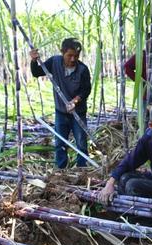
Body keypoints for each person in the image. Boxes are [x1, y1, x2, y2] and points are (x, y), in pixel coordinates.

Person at [30, 38, 92, 168]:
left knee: (81, 142)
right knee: (59, 143)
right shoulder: (55, 62)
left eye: (76, 56)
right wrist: (34, 60)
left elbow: (86, 90)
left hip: (78, 113)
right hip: (61, 112)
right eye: (69, 55)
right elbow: (37, 72)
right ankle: (61, 169)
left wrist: (75, 101)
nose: (73, 59)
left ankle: (82, 169)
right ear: (62, 52)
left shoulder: (82, 69)